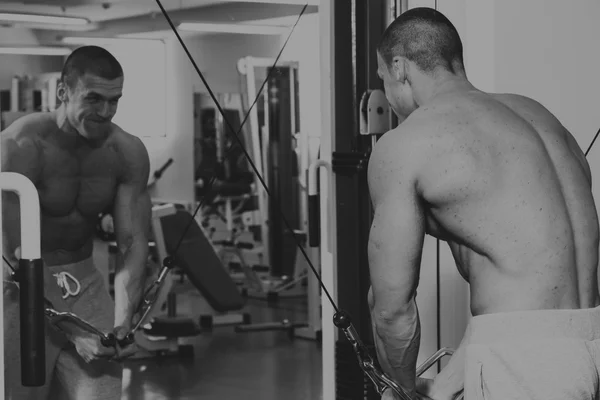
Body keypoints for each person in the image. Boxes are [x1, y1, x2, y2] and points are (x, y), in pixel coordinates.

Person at [368, 7, 600, 400]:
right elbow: (533, 284)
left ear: (400, 67)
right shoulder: (540, 117)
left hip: (526, 364)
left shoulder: (407, 143)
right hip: (587, 345)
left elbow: (392, 309)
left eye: (383, 78)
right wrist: (446, 382)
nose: (387, 95)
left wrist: (402, 390)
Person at [2, 45, 151, 399]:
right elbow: (11, 253)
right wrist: (71, 330)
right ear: (63, 92)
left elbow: (132, 242)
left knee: (101, 393)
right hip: (18, 290)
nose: (106, 112)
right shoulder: (19, 146)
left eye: (114, 100)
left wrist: (122, 322)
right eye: (94, 98)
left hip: (83, 284)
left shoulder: (126, 152)